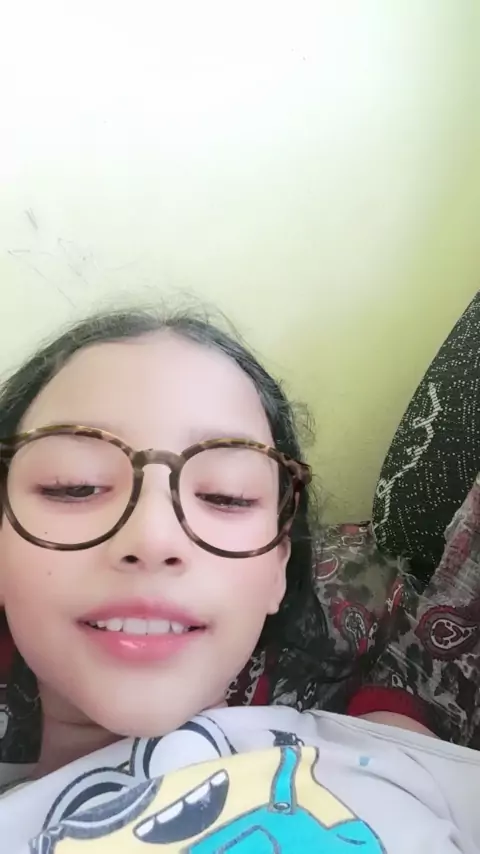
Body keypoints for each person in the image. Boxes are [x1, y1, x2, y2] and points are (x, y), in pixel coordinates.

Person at [0, 307, 478, 853]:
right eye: (74, 486)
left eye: (225, 496)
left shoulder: (395, 765)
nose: (153, 537)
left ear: (278, 567)